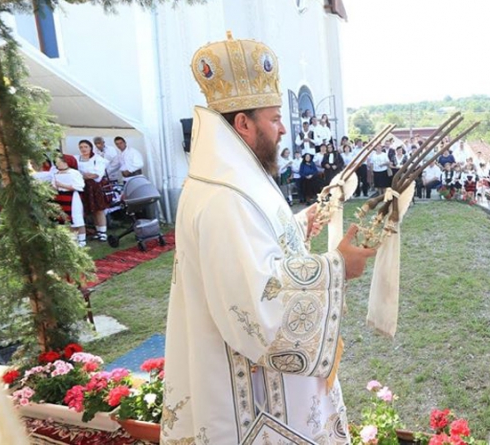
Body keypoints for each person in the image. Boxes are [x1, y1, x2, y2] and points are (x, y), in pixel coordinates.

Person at [164, 36, 376, 445]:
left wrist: (299, 223)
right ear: (243, 123)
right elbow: (254, 302)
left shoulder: (235, 175)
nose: (282, 129)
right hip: (250, 402)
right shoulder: (224, 195)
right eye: (275, 118)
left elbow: (249, 247)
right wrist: (337, 267)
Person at [76, 140, 110, 241]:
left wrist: (84, 175)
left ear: (90, 148)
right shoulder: (77, 159)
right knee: (91, 209)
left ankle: (103, 232)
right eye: (81, 147)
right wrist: (85, 175)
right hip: (82, 187)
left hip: (95, 187)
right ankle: (97, 230)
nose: (83, 149)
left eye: (85, 147)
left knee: (99, 209)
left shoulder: (97, 159)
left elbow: (97, 174)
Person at [52, 155, 87, 247]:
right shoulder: (57, 173)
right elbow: (54, 185)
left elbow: (80, 186)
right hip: (61, 197)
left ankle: (82, 240)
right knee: (65, 219)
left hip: (73, 198)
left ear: (65, 162)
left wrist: (63, 185)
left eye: (58, 161)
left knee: (76, 219)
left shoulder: (74, 173)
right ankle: (71, 240)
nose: (56, 163)